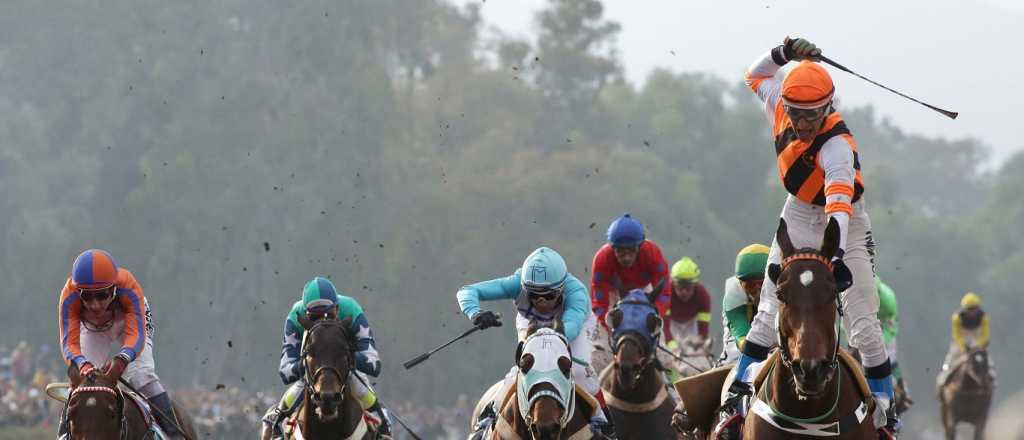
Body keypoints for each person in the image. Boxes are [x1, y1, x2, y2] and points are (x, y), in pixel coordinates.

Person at [721, 36, 898, 437]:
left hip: (847, 223)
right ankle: (736, 397)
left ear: (827, 108)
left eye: (812, 115)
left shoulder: (837, 146)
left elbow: (839, 207)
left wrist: (833, 260)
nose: (802, 124)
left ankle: (886, 413)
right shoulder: (780, 107)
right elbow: (754, 74)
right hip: (798, 212)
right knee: (767, 312)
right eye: (797, 114)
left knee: (864, 324)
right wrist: (785, 53)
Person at [458, 246, 612, 436]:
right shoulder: (516, 282)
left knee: (578, 371)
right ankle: (487, 418)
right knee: (524, 370)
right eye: (533, 295)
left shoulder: (577, 293)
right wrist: (476, 313)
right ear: (524, 287)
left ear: (562, 288)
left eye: (549, 295)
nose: (541, 302)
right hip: (531, 323)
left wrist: (556, 339)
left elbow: (571, 324)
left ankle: (603, 422)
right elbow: (467, 291)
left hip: (571, 326)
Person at [56, 249, 185, 439]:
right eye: (87, 296)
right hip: (94, 328)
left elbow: (135, 336)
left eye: (101, 295)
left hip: (129, 323)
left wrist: (122, 360)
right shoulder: (69, 295)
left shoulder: (130, 287)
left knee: (141, 375)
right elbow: (69, 344)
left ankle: (175, 435)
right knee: (82, 383)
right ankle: (63, 433)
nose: (95, 304)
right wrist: (83, 364)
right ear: (78, 291)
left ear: (114, 288)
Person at [261, 277, 391, 439]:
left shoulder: (351, 309)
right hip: (312, 373)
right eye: (314, 318)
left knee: (381, 416)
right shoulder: (295, 315)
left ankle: (384, 430)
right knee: (273, 423)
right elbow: (285, 372)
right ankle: (275, 425)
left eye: (329, 315)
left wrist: (345, 357)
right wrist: (310, 361)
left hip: (345, 370)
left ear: (337, 308)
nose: (322, 321)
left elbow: (373, 364)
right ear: (305, 313)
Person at [590, 214, 671, 373]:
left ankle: (672, 392)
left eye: (631, 250)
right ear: (612, 248)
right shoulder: (602, 260)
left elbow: (664, 294)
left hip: (645, 294)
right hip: (614, 295)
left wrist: (652, 316)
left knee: (662, 354)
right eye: (620, 251)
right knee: (598, 355)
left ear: (639, 246)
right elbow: (599, 304)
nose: (626, 257)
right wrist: (611, 328)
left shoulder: (653, 254)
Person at [718, 244, 770, 365]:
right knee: (734, 356)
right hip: (744, 337)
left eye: (762, 283)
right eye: (750, 285)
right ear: (740, 283)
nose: (758, 290)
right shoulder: (732, 295)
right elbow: (742, 337)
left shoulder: (784, 287)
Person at [937, 292, 994, 387]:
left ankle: (992, 378)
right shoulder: (957, 317)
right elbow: (956, 335)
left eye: (974, 309)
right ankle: (943, 378)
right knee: (951, 358)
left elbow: (985, 334)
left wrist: (979, 345)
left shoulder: (983, 317)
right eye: (969, 309)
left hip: (976, 341)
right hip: (960, 341)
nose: (972, 312)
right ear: (964, 309)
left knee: (987, 359)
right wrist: (964, 347)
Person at [875, 276, 913, 409]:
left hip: (885, 326)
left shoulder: (888, 299)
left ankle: (904, 392)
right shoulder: (855, 296)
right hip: (865, 324)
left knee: (889, 357)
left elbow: (891, 325)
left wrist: (882, 341)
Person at [663, 257, 711, 354]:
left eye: (688, 287)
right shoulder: (666, 293)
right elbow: (665, 327)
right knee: (668, 353)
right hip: (671, 323)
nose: (684, 292)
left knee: (695, 352)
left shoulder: (703, 295)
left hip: (691, 324)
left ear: (695, 285)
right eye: (680, 287)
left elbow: (703, 331)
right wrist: (673, 346)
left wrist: (699, 340)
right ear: (673, 284)